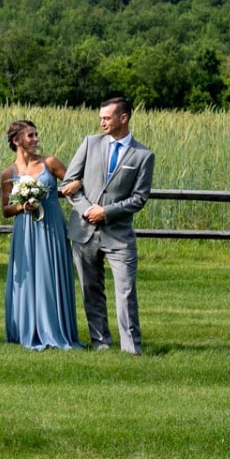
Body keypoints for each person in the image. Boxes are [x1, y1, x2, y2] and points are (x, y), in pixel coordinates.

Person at [63, 96, 155, 354]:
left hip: (119, 236)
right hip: (84, 232)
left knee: (125, 292)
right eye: (101, 118)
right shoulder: (90, 143)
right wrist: (88, 210)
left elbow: (139, 198)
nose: (102, 122)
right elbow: (69, 184)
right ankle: (101, 343)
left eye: (107, 117)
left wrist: (107, 212)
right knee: (90, 290)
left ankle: (131, 348)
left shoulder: (143, 155)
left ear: (123, 118)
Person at [1, 119, 81, 351]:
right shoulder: (8, 173)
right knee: (26, 278)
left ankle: (56, 329)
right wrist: (22, 206)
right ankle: (26, 328)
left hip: (51, 226)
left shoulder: (50, 162)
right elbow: (6, 210)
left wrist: (75, 184)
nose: (36, 140)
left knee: (50, 274)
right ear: (17, 141)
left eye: (36, 135)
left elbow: (73, 183)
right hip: (24, 231)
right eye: (30, 136)